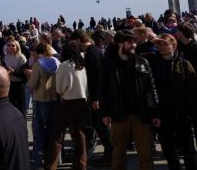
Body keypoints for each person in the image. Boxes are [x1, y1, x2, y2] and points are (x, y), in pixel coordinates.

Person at [98, 29, 160, 170]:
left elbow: (151, 89)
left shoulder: (142, 62)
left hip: (141, 116)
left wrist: (155, 113)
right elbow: (102, 90)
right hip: (119, 116)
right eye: (130, 42)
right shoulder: (108, 64)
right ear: (120, 44)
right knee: (118, 156)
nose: (134, 45)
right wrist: (104, 113)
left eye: (134, 42)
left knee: (146, 155)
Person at [145, 34, 197, 170]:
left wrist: (190, 112)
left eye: (165, 44)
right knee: (169, 151)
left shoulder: (184, 64)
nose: (161, 47)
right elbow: (136, 55)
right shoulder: (152, 62)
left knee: (188, 150)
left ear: (173, 45)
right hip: (162, 113)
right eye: (159, 44)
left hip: (183, 113)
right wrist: (151, 42)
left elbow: (193, 90)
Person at [44, 42, 89, 170]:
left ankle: (51, 165)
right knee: (79, 134)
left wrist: (62, 93)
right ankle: (81, 165)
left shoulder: (64, 66)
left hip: (68, 101)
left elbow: (60, 88)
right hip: (82, 101)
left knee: (57, 134)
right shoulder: (82, 65)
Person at [71, 30, 112, 167]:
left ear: (78, 40)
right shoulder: (92, 51)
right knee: (99, 127)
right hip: (97, 96)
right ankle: (109, 154)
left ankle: (110, 155)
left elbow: (97, 78)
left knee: (101, 127)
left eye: (74, 41)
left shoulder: (91, 53)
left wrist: (95, 98)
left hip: (97, 98)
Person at [28, 43, 60, 170]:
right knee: (53, 131)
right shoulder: (56, 62)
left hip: (41, 99)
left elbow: (32, 84)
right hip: (55, 98)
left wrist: (29, 75)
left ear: (37, 52)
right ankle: (55, 160)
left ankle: (38, 160)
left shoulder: (38, 64)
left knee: (39, 131)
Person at [3, 36, 30, 115]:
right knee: (11, 105)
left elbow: (24, 74)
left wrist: (13, 72)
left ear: (17, 47)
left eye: (13, 45)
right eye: (9, 45)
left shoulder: (21, 57)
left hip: (20, 84)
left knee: (21, 106)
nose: (10, 47)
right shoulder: (6, 57)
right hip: (10, 83)